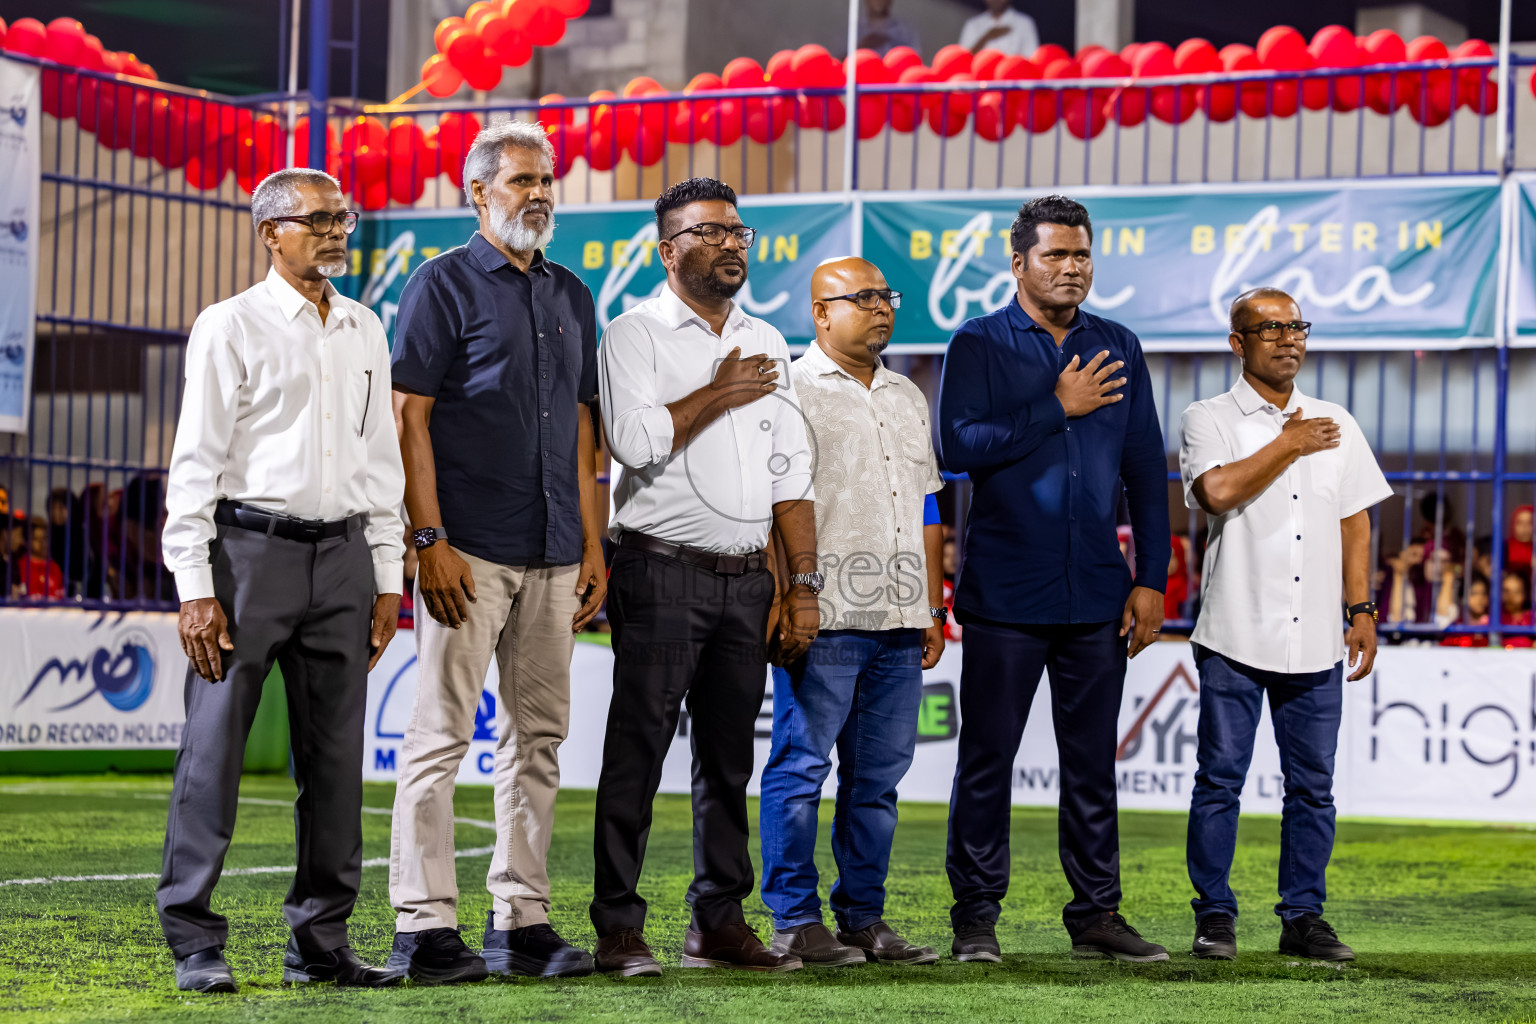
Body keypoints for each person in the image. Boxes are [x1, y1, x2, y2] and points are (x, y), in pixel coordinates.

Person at [158, 167, 406, 994]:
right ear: (271, 232)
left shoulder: (367, 327)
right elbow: (195, 461)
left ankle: (322, 942)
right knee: (214, 749)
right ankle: (195, 940)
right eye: (320, 219)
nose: (339, 231)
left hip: (343, 558)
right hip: (246, 558)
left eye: (345, 217)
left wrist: (385, 575)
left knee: (336, 762)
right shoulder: (229, 325)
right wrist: (194, 584)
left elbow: (381, 460)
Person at [385, 121, 605, 984]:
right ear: (478, 193)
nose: (539, 192)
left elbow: (588, 428)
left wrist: (593, 540)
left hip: (556, 549)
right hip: (467, 550)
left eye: (546, 178)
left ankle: (519, 920)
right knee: (441, 737)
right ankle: (423, 925)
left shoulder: (571, 294)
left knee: (539, 740)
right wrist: (428, 540)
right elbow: (411, 417)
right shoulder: (439, 286)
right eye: (521, 180)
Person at [937, 194, 1170, 964]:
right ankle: (975, 919)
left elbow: (1143, 468)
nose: (1072, 268)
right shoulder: (977, 343)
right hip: (1005, 596)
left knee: (1092, 766)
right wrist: (1055, 406)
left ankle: (1097, 914)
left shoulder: (1120, 345)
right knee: (986, 762)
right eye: (1055, 256)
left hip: (1099, 594)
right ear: (1019, 264)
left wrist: (1151, 579)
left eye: (1082, 255)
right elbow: (960, 445)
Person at [593, 177, 816, 975]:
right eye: (709, 232)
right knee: (638, 754)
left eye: (737, 231)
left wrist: (801, 586)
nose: (730, 243)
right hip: (659, 573)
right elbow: (636, 441)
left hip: (748, 580)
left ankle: (718, 922)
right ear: (668, 250)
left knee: (729, 762)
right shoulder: (635, 334)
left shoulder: (769, 339)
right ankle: (619, 928)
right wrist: (720, 391)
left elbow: (791, 473)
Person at [1179, 288, 1393, 963]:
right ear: (1238, 344)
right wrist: (1290, 442)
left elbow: (1355, 518)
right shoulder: (1207, 418)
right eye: (1269, 328)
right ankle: (1214, 915)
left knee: (1313, 788)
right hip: (1235, 634)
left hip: (1318, 639)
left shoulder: (1337, 419)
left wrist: (1360, 610)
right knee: (1220, 780)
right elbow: (1215, 492)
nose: (1288, 338)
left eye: (1296, 325)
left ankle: (1303, 917)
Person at [757, 258, 945, 968]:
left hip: (900, 615)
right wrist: (787, 594)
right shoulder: (791, 389)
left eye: (885, 296)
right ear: (820, 314)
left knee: (878, 782)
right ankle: (795, 918)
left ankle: (863, 918)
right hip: (824, 614)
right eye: (861, 297)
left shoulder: (905, 393)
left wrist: (929, 601)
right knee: (801, 769)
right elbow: (776, 504)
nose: (880, 308)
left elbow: (927, 502)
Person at [958, 0, 1039, 57]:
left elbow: (1031, 58)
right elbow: (963, 60)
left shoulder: (1024, 23)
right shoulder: (973, 24)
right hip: (981, 79)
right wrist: (986, 37)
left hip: (1013, 78)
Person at [15, 514, 65, 601]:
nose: (43, 543)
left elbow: (61, 600)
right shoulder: (19, 566)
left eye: (45, 538)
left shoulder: (55, 568)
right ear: (26, 542)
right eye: (37, 539)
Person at [857, 0, 921, 57]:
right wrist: (863, 45)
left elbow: (914, 56)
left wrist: (890, 41)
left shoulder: (904, 29)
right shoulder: (855, 29)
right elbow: (848, 60)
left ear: (890, 1)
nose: (878, 1)